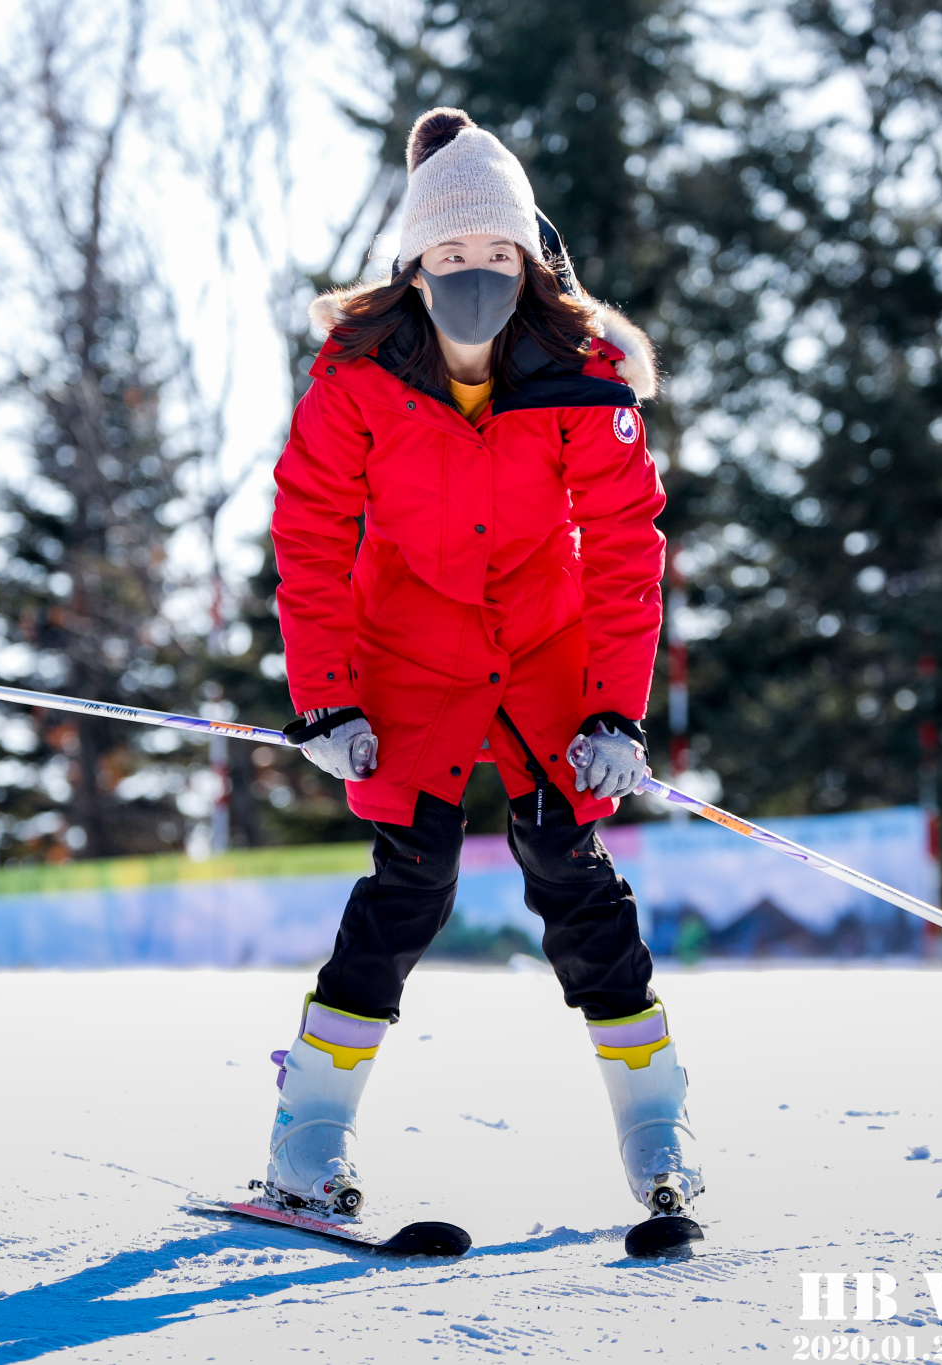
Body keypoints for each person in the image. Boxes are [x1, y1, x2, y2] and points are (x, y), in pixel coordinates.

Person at [259, 107, 702, 1230]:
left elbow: (624, 548)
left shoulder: (579, 376)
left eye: (494, 254)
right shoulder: (359, 376)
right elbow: (311, 531)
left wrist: (614, 708)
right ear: (413, 265)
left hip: (547, 651)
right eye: (449, 255)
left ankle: (657, 1130)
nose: (471, 274)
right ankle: (307, 1139)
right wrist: (325, 695)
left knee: (567, 871)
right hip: (409, 650)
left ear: (527, 261)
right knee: (411, 883)